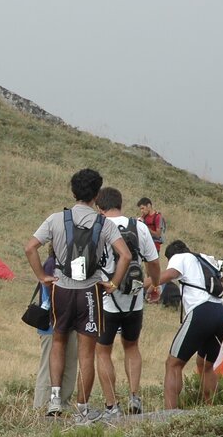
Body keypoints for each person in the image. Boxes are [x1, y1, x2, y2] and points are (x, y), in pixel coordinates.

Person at [23, 168, 131, 422]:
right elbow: (125, 255)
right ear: (96, 195)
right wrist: (114, 283)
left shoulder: (56, 219)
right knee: (86, 353)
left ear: (73, 191)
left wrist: (42, 276)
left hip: (61, 288)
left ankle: (54, 400)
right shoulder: (103, 223)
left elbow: (30, 247)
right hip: (90, 292)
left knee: (58, 342)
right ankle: (82, 408)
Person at [93, 187, 161, 417]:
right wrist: (155, 284)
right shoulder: (139, 226)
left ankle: (112, 405)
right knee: (131, 346)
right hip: (135, 298)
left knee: (103, 351)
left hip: (107, 299)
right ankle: (134, 396)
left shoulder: (98, 227)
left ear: (99, 208)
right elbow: (153, 262)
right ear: (120, 204)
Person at [157, 240, 223, 409]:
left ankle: (170, 417)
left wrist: (143, 284)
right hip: (220, 313)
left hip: (200, 313)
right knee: (206, 366)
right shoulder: (208, 259)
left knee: (173, 364)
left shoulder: (180, 257)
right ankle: (212, 412)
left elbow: (170, 274)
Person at [33, 253, 79, 413]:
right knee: (48, 365)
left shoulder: (75, 263)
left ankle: (63, 406)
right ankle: (41, 406)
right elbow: (50, 291)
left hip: (71, 322)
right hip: (51, 324)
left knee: (70, 364)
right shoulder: (52, 264)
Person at [137, 197, 165, 303]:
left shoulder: (157, 217)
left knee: (152, 273)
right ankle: (149, 295)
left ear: (149, 206)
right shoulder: (144, 217)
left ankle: (155, 295)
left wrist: (145, 228)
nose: (142, 211)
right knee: (148, 272)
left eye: (143, 208)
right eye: (140, 209)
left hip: (154, 246)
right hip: (145, 246)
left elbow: (158, 233)